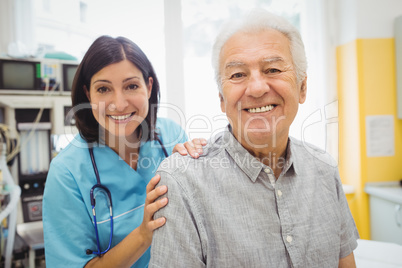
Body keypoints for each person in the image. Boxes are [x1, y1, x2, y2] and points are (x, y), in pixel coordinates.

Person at [149, 9, 359, 268]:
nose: (258, 88)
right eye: (238, 74)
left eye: (272, 69)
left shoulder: (324, 169)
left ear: (303, 88)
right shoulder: (182, 182)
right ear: (222, 100)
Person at [43, 35, 205, 267]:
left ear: (148, 87)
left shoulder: (171, 137)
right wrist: (143, 234)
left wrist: (199, 165)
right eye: (103, 89)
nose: (119, 104)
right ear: (88, 95)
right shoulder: (67, 172)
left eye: (131, 86)